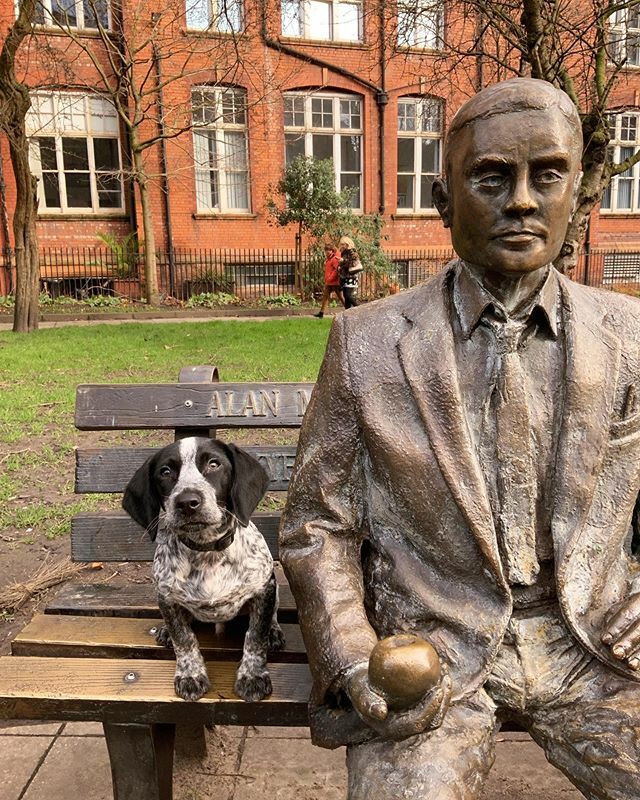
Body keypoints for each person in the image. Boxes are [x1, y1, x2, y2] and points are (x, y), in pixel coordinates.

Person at [280, 77, 640, 800]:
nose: (523, 201)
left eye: (548, 174)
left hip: (594, 648)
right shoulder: (368, 343)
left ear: (580, 192)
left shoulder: (630, 334)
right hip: (433, 649)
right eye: (492, 178)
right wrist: (352, 656)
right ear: (444, 202)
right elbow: (317, 524)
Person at [314, 242, 343, 319]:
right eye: (326, 250)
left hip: (335, 283)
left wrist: (330, 278)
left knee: (341, 297)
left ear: (332, 251)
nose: (327, 252)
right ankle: (321, 313)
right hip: (329, 283)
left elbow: (336, 270)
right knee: (325, 297)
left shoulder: (334, 259)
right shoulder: (328, 260)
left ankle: (350, 310)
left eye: (328, 250)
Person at [337, 235, 361, 309]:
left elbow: (353, 263)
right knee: (346, 296)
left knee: (348, 295)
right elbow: (344, 264)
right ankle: (347, 313)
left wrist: (343, 261)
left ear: (347, 244)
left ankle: (359, 308)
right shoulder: (344, 253)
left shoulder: (353, 253)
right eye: (341, 244)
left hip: (351, 276)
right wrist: (340, 265)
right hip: (345, 276)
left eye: (343, 244)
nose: (342, 246)